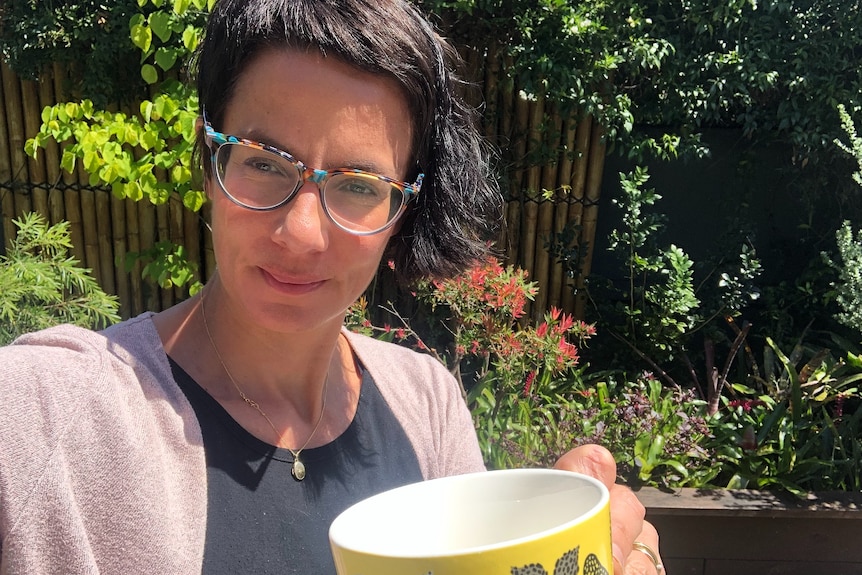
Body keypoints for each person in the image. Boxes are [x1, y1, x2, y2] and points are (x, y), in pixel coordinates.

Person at [0, 0, 662, 573]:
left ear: (402, 209)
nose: (302, 232)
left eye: (357, 185)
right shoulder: (52, 411)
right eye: (263, 162)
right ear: (211, 161)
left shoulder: (426, 404)